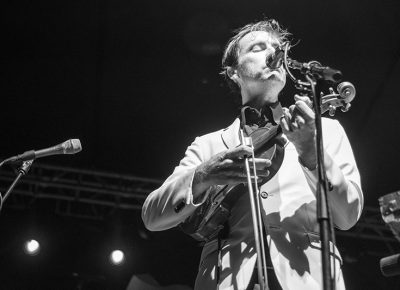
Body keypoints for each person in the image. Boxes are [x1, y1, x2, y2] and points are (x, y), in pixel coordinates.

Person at [142, 19, 363, 290]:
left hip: (310, 280)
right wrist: (202, 175)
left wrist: (311, 154)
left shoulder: (325, 131)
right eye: (258, 48)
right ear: (233, 71)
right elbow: (152, 217)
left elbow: (348, 215)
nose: (274, 54)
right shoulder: (209, 144)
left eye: (278, 48)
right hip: (227, 280)